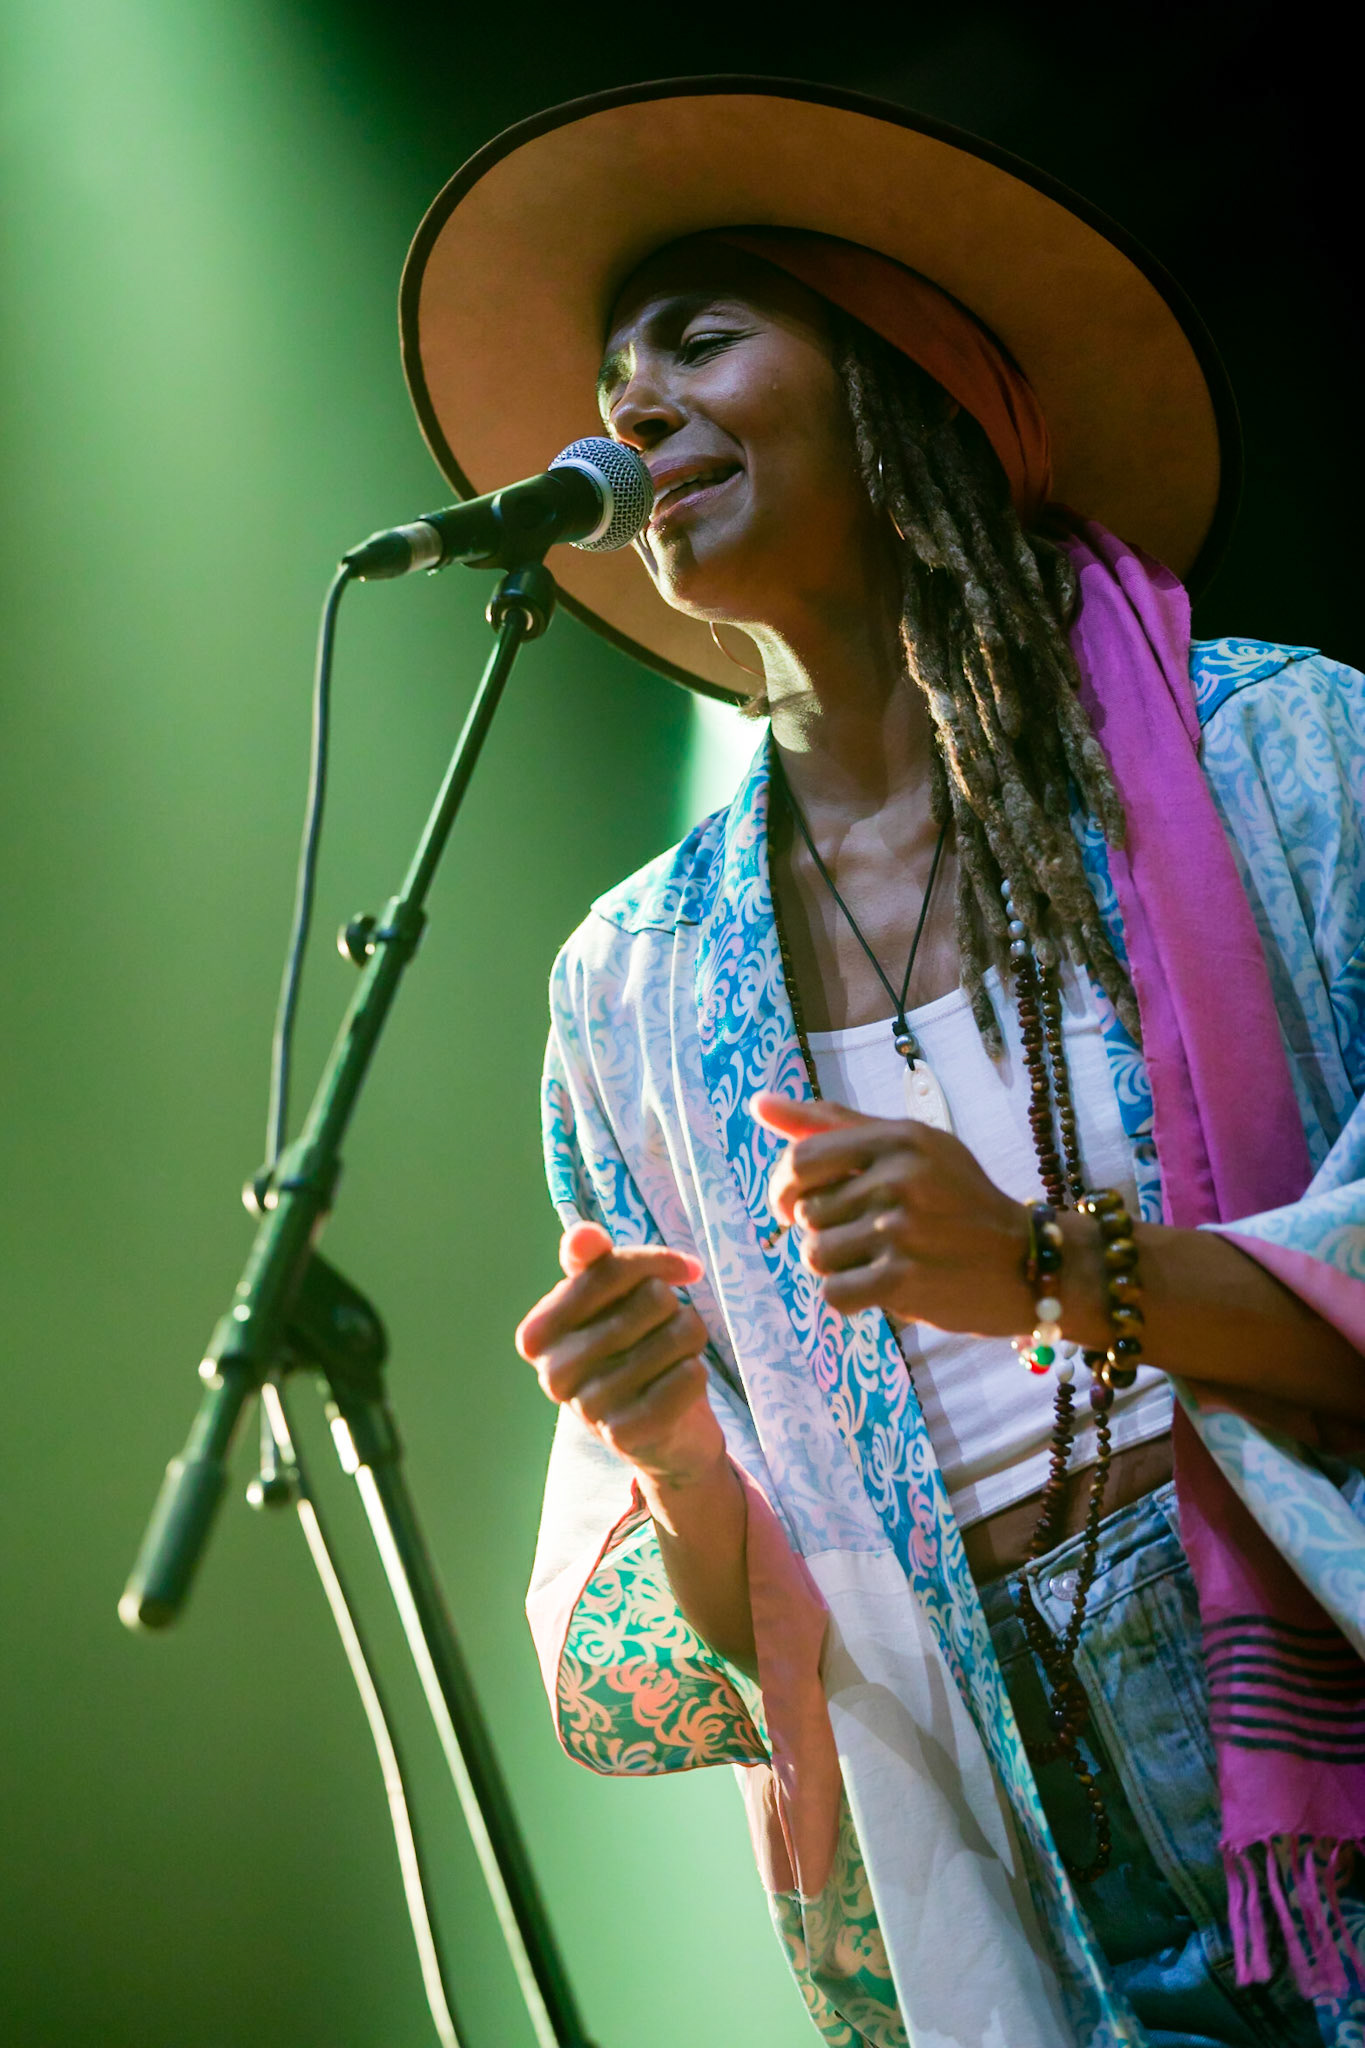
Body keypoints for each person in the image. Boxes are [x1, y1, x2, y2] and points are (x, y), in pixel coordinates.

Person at [402, 84, 1365, 2048]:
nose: (630, 410)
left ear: (903, 376)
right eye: (608, 375)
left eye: (699, 337)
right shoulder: (637, 986)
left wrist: (1036, 1267)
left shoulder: (1276, 752)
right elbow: (720, 1630)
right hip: (1000, 1826)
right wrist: (668, 1451)